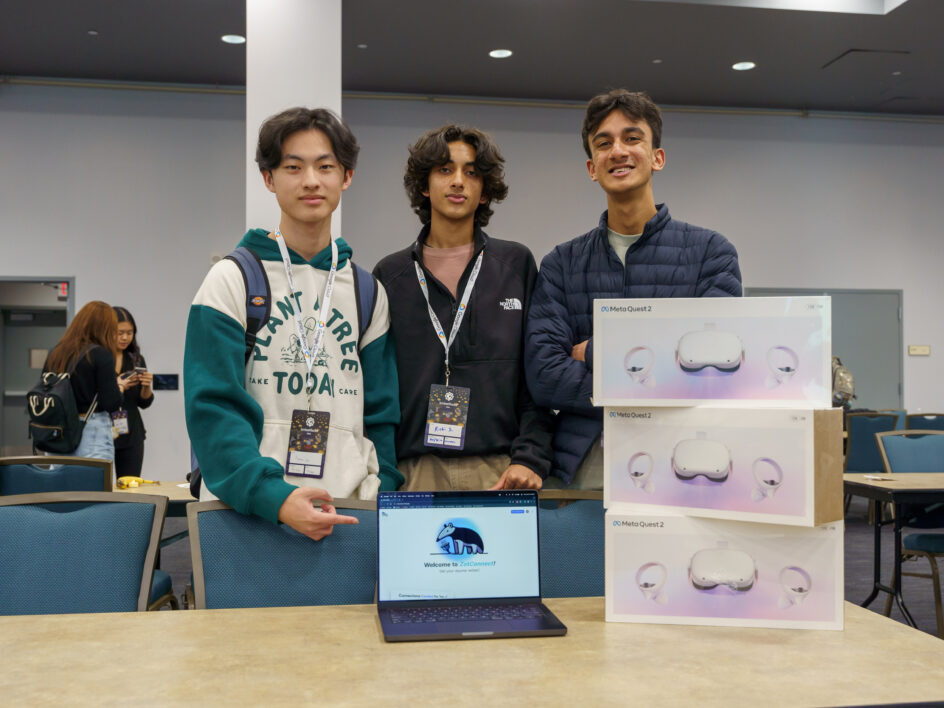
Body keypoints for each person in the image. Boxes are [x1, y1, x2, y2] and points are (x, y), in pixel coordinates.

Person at [184, 107, 400, 541]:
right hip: (246, 513)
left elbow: (381, 415)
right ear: (269, 179)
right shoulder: (232, 279)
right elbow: (213, 407)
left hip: (348, 515)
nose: (311, 181)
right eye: (293, 167)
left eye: (326, 167)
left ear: (347, 176)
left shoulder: (367, 292)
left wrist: (383, 493)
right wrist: (273, 497)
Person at [525, 89, 742, 488]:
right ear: (592, 167)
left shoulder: (711, 253)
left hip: (682, 458)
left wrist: (593, 352)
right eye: (604, 144)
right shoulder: (561, 263)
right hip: (584, 463)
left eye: (632, 138)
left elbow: (710, 368)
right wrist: (658, 371)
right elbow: (544, 375)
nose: (618, 151)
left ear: (657, 157)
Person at [373, 125, 553, 491]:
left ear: (485, 191)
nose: (458, 181)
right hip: (414, 471)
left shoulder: (516, 265)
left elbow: (538, 378)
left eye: (471, 172)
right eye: (444, 170)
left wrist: (530, 457)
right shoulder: (390, 276)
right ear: (424, 186)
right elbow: (378, 391)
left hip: (501, 470)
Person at [43, 300, 131, 462]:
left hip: (59, 430)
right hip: (91, 429)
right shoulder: (100, 354)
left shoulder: (55, 352)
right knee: (94, 486)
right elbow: (111, 403)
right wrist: (120, 386)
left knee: (62, 485)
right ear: (104, 328)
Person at [110, 306, 154, 478]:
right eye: (120, 332)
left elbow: (144, 402)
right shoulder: (100, 357)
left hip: (131, 431)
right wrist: (118, 385)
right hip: (104, 429)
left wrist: (146, 385)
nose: (125, 337)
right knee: (102, 486)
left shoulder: (136, 359)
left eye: (130, 333)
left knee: (131, 484)